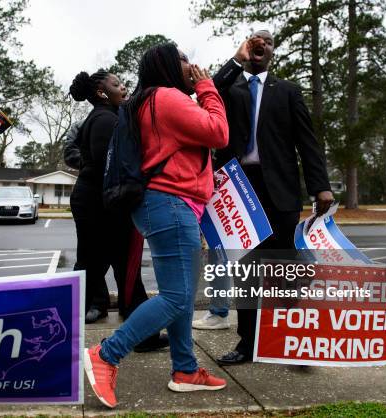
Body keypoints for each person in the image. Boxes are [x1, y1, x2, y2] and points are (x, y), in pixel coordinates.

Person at [84, 42, 250, 408]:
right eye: (185, 60)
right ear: (168, 66)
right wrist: (207, 88)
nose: (192, 65)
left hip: (168, 206)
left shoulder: (150, 99)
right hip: (171, 204)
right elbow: (219, 133)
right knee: (177, 296)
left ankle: (185, 370)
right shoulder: (167, 97)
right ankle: (106, 354)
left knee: (180, 296)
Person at [203, 30, 334, 364]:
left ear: (275, 52)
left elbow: (308, 141)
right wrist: (238, 59)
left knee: (286, 272)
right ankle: (248, 343)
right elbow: (207, 93)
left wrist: (320, 186)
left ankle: (292, 342)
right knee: (247, 271)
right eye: (254, 41)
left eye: (268, 42)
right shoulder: (230, 89)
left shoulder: (288, 91)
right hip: (239, 191)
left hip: (281, 192)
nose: (261, 45)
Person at [68, 69, 169, 352]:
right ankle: (141, 335)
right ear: (102, 92)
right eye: (117, 84)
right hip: (100, 204)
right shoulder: (105, 119)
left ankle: (142, 335)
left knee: (118, 268)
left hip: (98, 202)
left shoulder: (106, 117)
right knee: (108, 266)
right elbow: (107, 166)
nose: (123, 87)